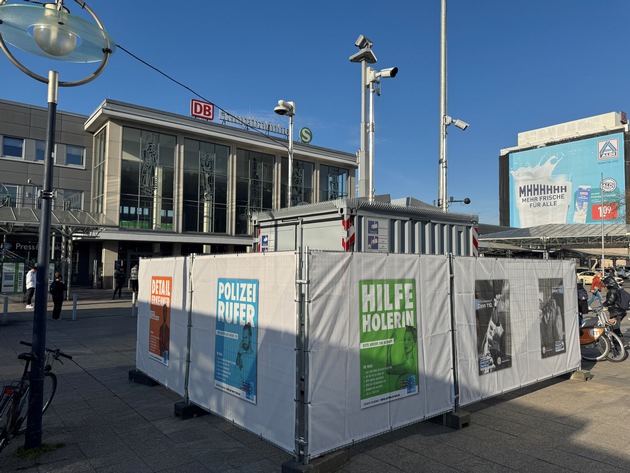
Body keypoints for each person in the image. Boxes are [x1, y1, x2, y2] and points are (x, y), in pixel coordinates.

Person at [386, 325, 418, 390]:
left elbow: (389, 370)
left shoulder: (408, 364)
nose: (405, 343)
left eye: (409, 340)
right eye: (404, 339)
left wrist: (389, 347)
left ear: (414, 342)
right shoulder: (410, 362)